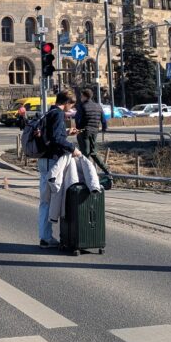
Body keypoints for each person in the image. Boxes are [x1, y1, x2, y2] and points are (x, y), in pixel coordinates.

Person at [38, 90, 82, 248]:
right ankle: (46, 238)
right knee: (48, 201)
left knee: (45, 200)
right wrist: (72, 148)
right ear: (67, 102)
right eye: (72, 105)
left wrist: (66, 133)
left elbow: (51, 136)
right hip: (52, 161)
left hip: (45, 159)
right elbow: (56, 140)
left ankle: (45, 236)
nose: (71, 108)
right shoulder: (57, 114)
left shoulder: (50, 112)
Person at [74, 87, 110, 174]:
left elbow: (77, 119)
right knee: (93, 152)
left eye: (81, 96)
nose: (80, 98)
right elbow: (104, 120)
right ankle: (106, 169)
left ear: (85, 96)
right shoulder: (98, 106)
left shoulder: (82, 106)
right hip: (94, 131)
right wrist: (104, 128)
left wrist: (78, 129)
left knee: (84, 154)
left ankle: (87, 173)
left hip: (84, 131)